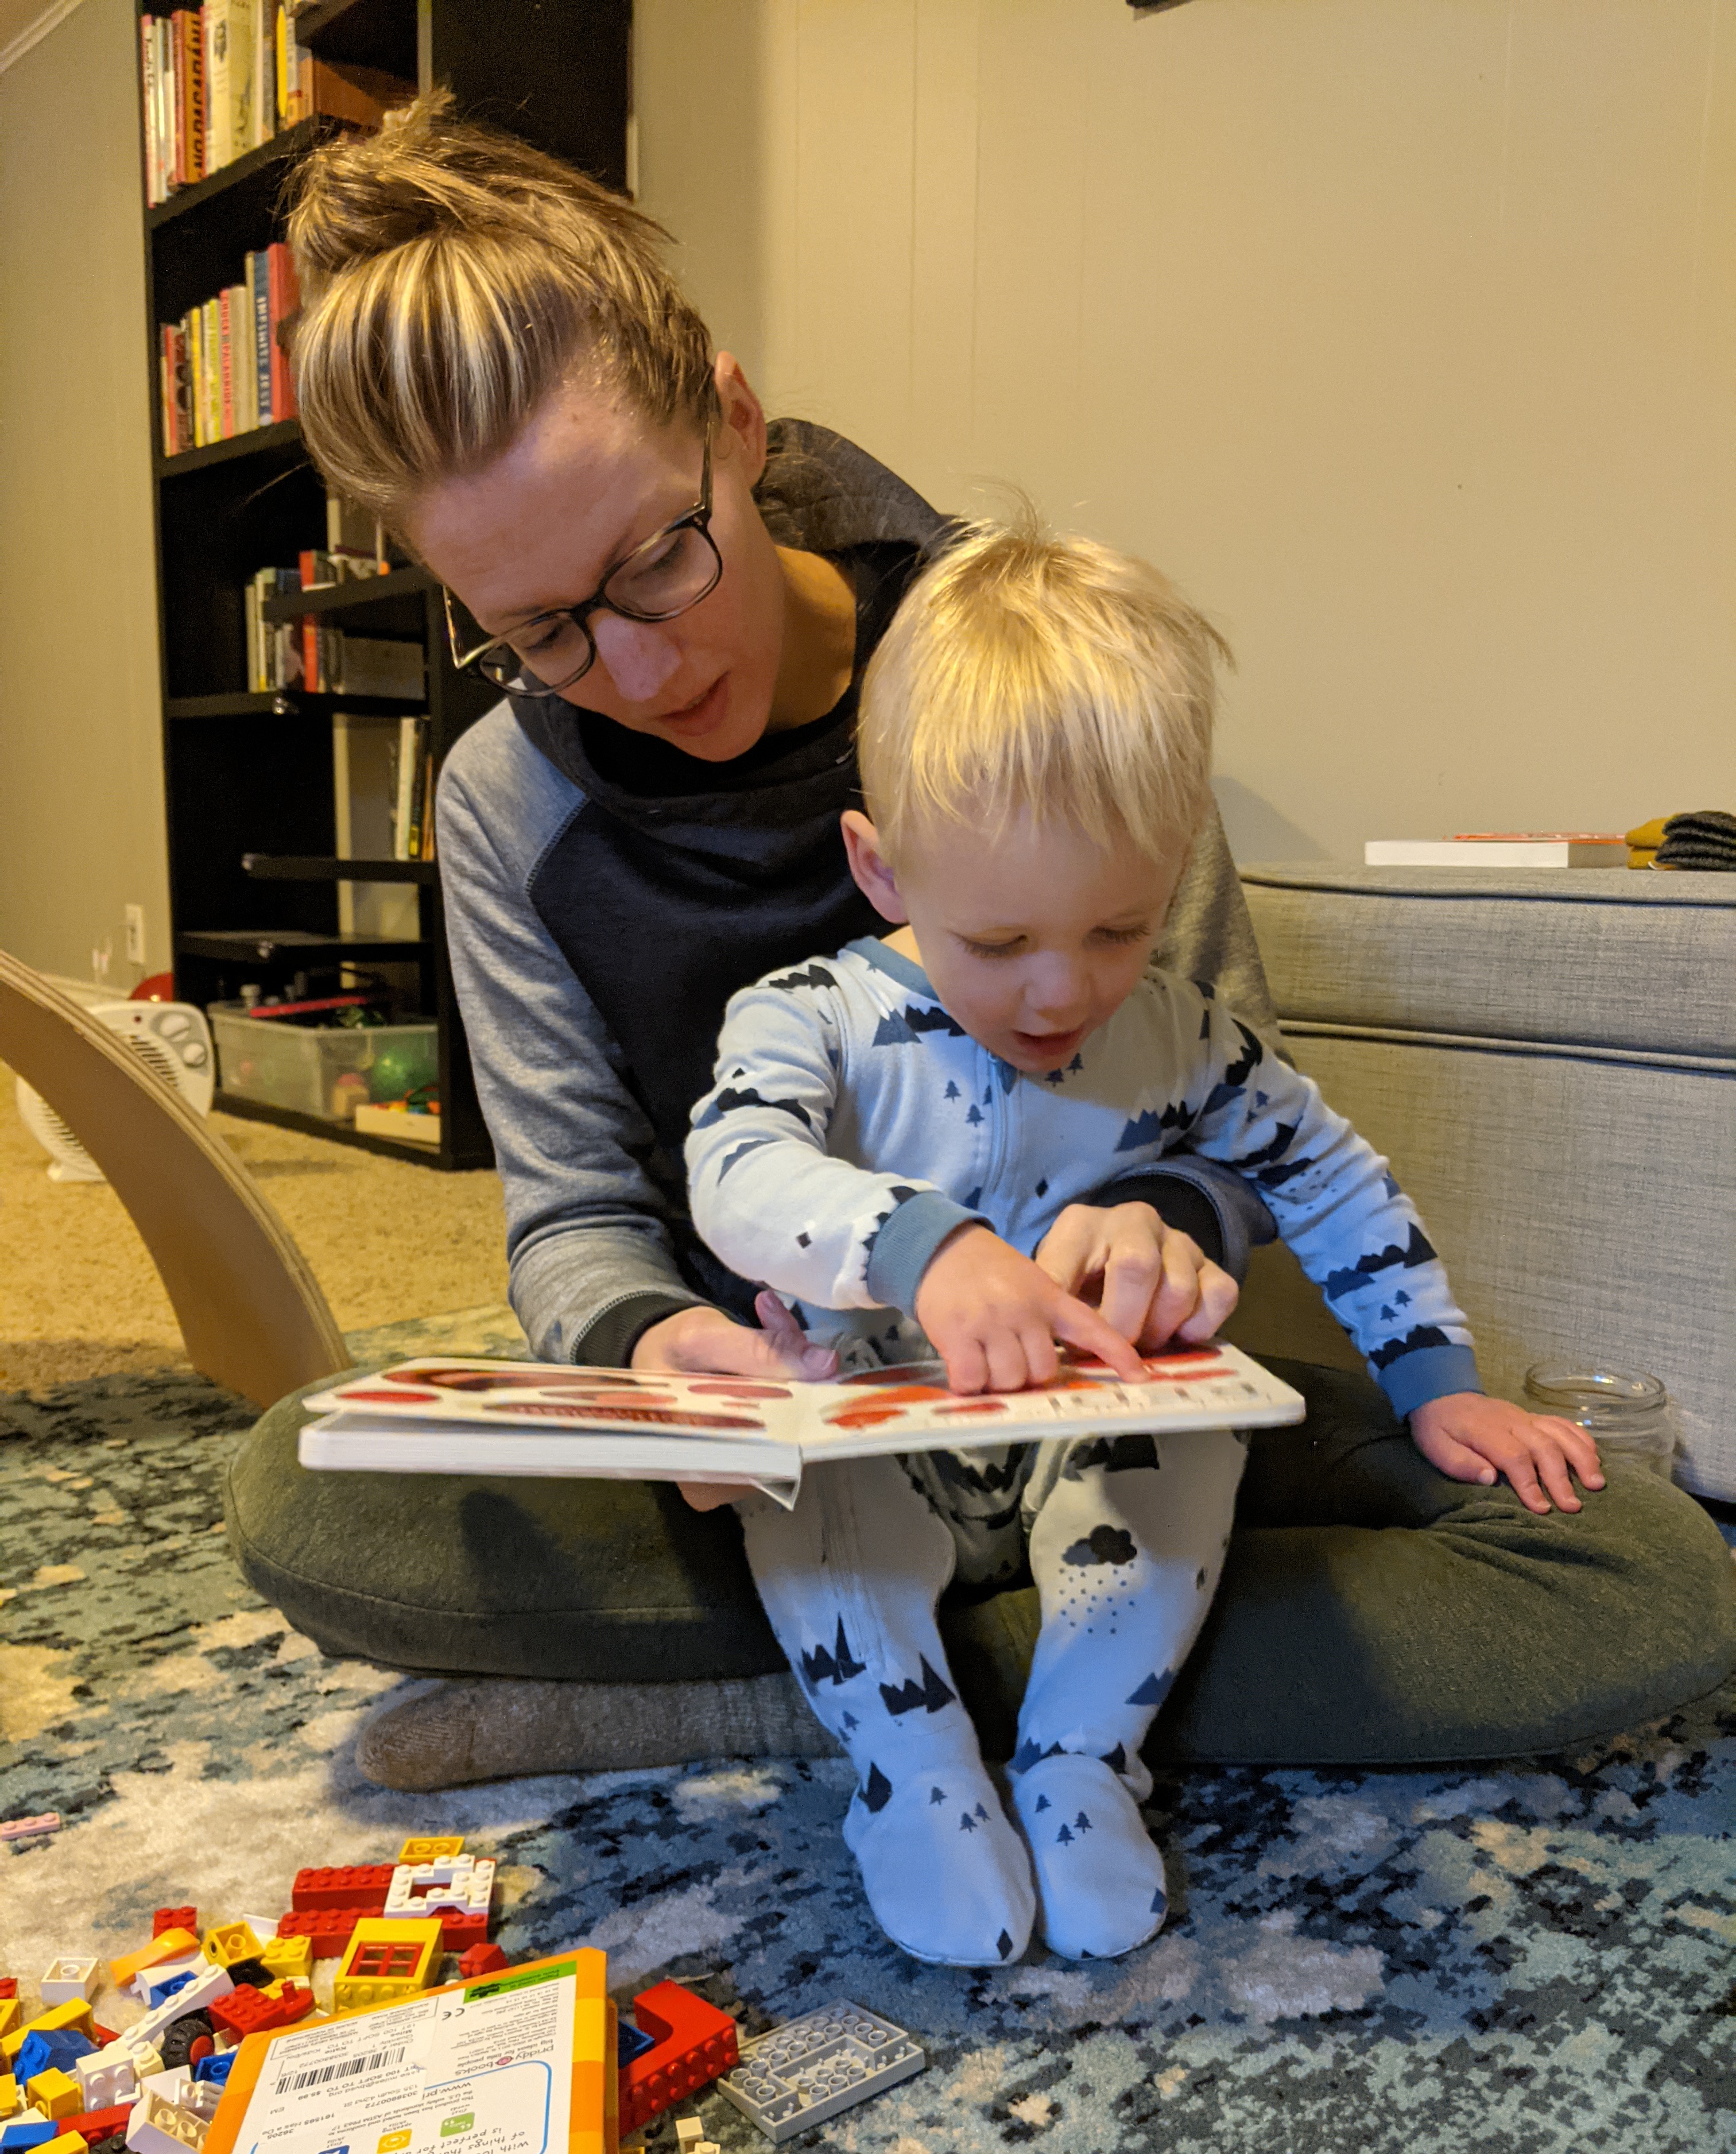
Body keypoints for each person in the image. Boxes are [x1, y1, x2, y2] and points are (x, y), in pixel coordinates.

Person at [229, 95, 1735, 1796]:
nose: (636, 668)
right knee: (305, 1490)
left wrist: (1164, 1229)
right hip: (795, 1442)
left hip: (1118, 1414)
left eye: (655, 559)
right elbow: (575, 1216)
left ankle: (819, 1691)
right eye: (539, 631)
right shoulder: (509, 804)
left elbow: (1226, 1094)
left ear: (736, 420)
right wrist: (655, 1351)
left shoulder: (1039, 672)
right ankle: (1041, 1667)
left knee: (1641, 1565)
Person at [681, 516, 1602, 1966]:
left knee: (1204, 1426)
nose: (1062, 994)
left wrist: (1438, 1384)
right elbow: (733, 1169)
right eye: (1000, 943)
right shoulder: (809, 1015)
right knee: (792, 1480)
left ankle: (1079, 1758)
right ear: (881, 868)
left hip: (1088, 1467)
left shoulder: (1183, 1035)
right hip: (882, 1452)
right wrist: (921, 1247)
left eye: (1120, 930)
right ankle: (914, 1767)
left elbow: (1333, 1177)